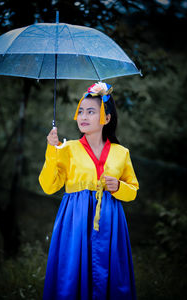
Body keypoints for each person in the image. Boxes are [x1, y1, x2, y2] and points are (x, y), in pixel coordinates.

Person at [39, 82, 139, 300]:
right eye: (81, 111)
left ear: (107, 118)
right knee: (72, 274)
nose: (83, 116)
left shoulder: (121, 153)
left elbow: (132, 190)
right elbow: (48, 186)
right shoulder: (67, 149)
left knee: (111, 275)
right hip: (75, 220)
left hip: (111, 221)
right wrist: (51, 150)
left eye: (91, 111)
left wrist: (119, 187)